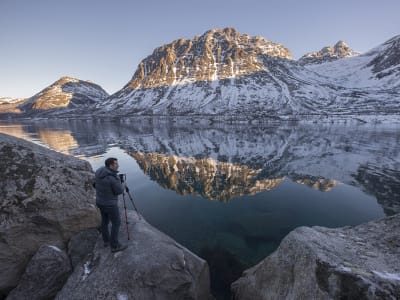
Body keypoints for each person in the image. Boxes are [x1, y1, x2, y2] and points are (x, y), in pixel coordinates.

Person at [94, 157, 128, 253]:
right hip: (110, 204)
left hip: (100, 202)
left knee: (105, 221)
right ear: (111, 165)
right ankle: (115, 246)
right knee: (116, 223)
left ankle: (106, 241)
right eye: (116, 164)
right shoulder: (113, 178)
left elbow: (94, 184)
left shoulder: (99, 171)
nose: (118, 165)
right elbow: (119, 191)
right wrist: (123, 184)